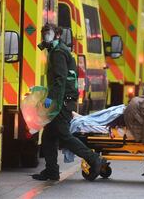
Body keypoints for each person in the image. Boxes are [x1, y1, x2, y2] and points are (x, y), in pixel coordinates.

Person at [32, 23, 105, 181]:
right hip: (64, 99)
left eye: (48, 34)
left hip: (62, 101)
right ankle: (52, 171)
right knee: (49, 136)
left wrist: (51, 100)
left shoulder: (58, 52)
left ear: (57, 35)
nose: (46, 37)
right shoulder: (57, 50)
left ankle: (94, 159)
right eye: (44, 34)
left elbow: (60, 80)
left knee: (64, 135)